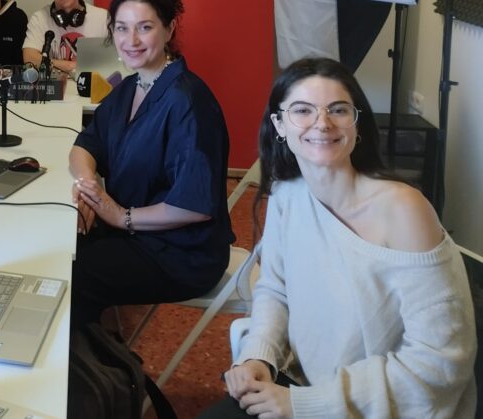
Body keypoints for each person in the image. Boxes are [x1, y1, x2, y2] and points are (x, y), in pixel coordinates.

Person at [201, 57, 477, 419]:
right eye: (302, 110)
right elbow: (275, 289)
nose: (322, 123)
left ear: (356, 123)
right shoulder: (287, 193)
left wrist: (305, 404)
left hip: (385, 408)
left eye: (338, 109)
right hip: (304, 386)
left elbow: (439, 362)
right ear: (279, 124)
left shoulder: (404, 210)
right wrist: (258, 355)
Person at [70, 0, 232, 326]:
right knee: (59, 241)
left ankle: (95, 358)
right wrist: (88, 187)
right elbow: (85, 145)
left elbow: (193, 206)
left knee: (74, 275)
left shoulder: (187, 101)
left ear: (169, 29)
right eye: (122, 28)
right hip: (133, 232)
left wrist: (120, 216)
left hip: (180, 251)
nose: (131, 40)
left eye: (145, 27)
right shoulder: (130, 86)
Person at [22, 0, 107, 76]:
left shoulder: (102, 17)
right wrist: (72, 66)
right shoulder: (39, 18)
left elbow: (115, 59)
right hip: (56, 85)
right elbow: (29, 58)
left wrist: (51, 63)